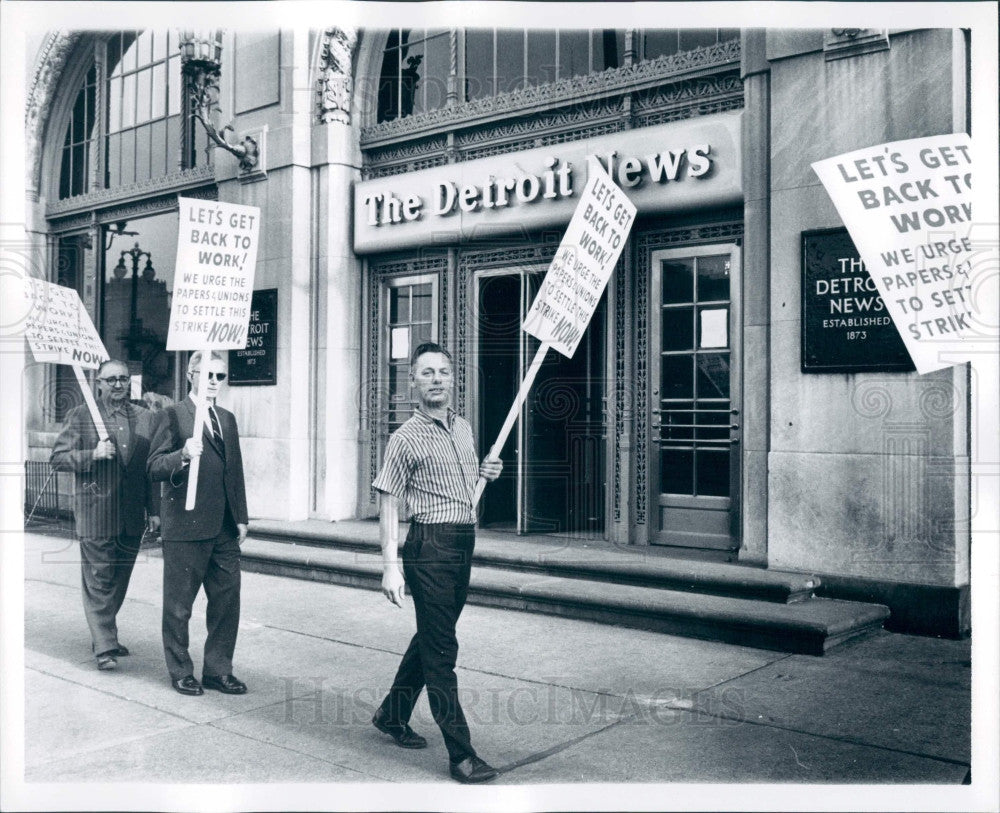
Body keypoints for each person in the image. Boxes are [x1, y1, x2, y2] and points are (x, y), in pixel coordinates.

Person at [371, 342, 503, 784]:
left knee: (432, 636)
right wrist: (390, 563)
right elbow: (388, 500)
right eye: (427, 373)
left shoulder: (462, 428)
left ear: (453, 378)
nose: (437, 380)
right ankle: (461, 755)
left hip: (463, 542)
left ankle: (393, 713)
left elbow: (460, 484)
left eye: (443, 372)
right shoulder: (404, 437)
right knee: (443, 650)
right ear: (412, 382)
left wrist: (484, 474)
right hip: (429, 546)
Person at [147, 350, 249, 697]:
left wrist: (242, 517)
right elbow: (154, 466)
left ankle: (218, 670)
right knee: (179, 606)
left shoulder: (227, 418)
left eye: (220, 377)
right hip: (186, 525)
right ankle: (180, 670)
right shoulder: (173, 416)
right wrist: (183, 455)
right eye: (208, 375)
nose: (214, 383)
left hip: (223, 527)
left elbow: (234, 471)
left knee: (227, 601)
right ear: (191, 374)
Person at [50, 359, 160, 671]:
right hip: (96, 512)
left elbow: (149, 467)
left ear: (129, 382)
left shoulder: (145, 418)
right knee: (98, 579)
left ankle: (104, 632)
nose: (117, 385)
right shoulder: (83, 415)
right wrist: (92, 454)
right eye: (110, 380)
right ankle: (105, 647)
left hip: (130, 515)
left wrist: (153, 510)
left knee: (118, 579)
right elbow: (57, 458)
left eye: (123, 379)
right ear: (98, 383)